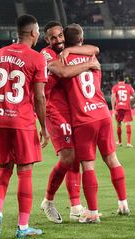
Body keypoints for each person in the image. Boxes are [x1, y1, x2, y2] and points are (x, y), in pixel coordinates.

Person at [0, 14, 49, 238]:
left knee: (4, 169)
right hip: (21, 121)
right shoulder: (37, 58)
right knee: (25, 172)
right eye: (38, 31)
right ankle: (22, 227)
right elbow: (39, 97)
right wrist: (45, 128)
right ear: (33, 32)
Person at [61, 23, 130, 223]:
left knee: (88, 167)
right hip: (102, 113)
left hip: (83, 119)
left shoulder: (64, 59)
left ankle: (92, 212)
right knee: (112, 160)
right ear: (82, 39)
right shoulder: (92, 57)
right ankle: (123, 203)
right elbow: (93, 48)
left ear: (65, 40)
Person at [39, 21, 101, 223]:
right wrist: (90, 63)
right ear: (47, 39)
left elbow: (95, 48)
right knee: (68, 157)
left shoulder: (69, 50)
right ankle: (48, 201)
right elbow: (64, 73)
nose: (57, 40)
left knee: (76, 158)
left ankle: (75, 207)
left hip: (72, 110)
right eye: (53, 37)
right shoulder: (46, 54)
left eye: (60, 36)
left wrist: (75, 50)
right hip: (53, 110)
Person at [111, 77, 135, 148]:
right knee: (128, 124)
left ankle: (120, 142)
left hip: (118, 107)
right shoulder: (129, 87)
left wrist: (113, 109)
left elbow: (113, 97)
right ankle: (128, 143)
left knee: (119, 124)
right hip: (127, 107)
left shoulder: (115, 87)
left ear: (118, 81)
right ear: (124, 80)